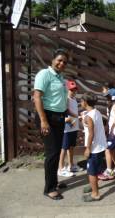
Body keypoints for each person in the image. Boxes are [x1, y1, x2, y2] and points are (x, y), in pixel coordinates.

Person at [34, 49, 69, 200]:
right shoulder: (44, 74)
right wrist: (43, 120)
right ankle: (49, 189)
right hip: (47, 118)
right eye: (59, 60)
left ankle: (53, 182)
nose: (61, 63)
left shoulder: (61, 78)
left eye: (64, 62)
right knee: (52, 153)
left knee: (56, 152)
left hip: (59, 118)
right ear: (53, 59)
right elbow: (37, 97)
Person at [81, 93, 107, 202]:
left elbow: (91, 133)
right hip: (100, 146)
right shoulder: (96, 112)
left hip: (94, 148)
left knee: (91, 172)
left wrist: (88, 148)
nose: (80, 102)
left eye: (81, 101)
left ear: (85, 102)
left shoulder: (88, 117)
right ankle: (94, 187)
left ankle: (95, 194)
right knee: (96, 170)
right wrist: (84, 118)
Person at [58, 80, 81, 178]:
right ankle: (60, 168)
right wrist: (71, 120)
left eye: (75, 89)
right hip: (66, 129)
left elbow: (74, 114)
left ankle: (70, 165)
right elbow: (63, 116)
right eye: (71, 90)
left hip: (74, 128)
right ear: (67, 89)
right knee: (63, 148)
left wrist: (78, 118)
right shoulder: (65, 99)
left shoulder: (74, 99)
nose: (73, 91)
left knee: (71, 147)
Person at [99, 88, 115, 180]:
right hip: (114, 131)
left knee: (108, 150)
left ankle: (109, 170)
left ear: (113, 97)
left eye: (108, 96)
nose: (107, 98)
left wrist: (112, 129)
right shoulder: (113, 105)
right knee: (112, 151)